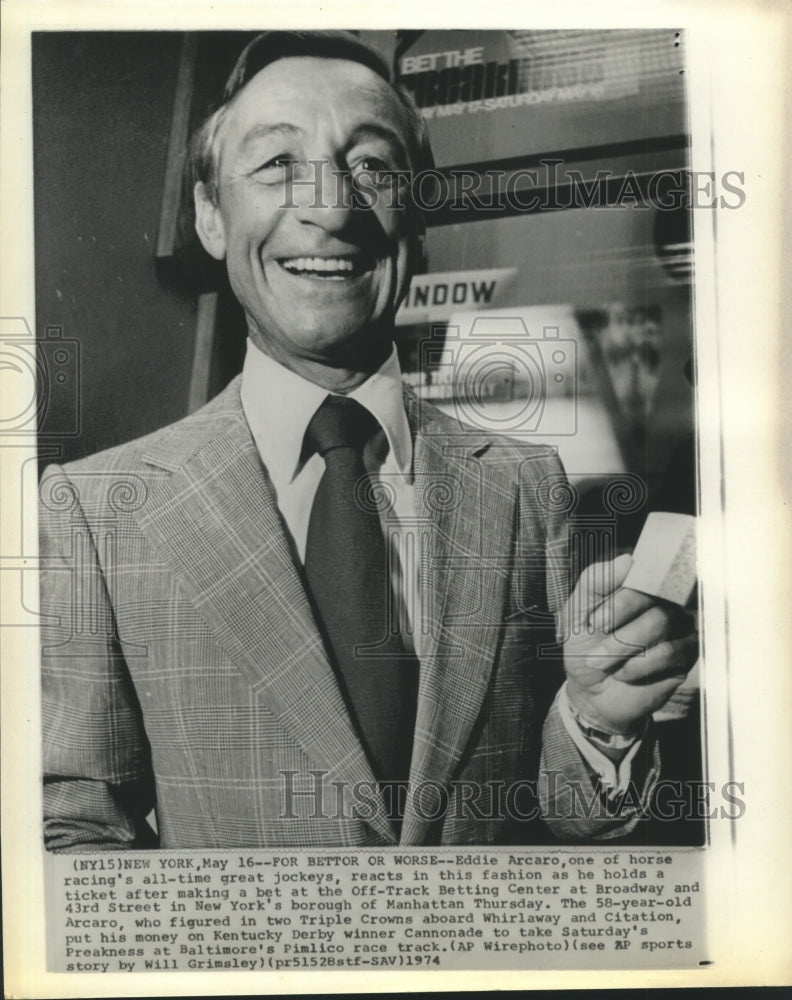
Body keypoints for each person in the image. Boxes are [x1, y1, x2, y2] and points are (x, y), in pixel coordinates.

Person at [39, 31, 697, 850]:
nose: (332, 206)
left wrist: (597, 725)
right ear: (211, 215)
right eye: (277, 164)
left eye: (374, 167)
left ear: (416, 218)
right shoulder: (100, 509)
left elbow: (551, 822)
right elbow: (70, 833)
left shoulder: (529, 486)